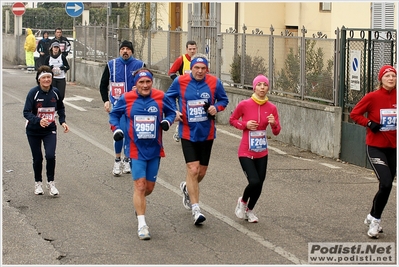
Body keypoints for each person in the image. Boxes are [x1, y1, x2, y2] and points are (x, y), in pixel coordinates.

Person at [109, 68, 176, 240]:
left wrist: (167, 121)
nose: (145, 85)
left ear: (152, 83)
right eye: (141, 82)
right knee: (139, 185)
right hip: (135, 149)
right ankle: (142, 224)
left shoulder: (161, 97)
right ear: (135, 84)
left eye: (148, 82)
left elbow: (171, 112)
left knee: (148, 188)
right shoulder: (127, 98)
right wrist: (116, 129)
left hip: (154, 149)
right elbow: (114, 115)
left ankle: (139, 203)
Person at [165, 54, 229, 225]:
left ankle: (187, 187)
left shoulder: (215, 83)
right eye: (197, 68)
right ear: (191, 68)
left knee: (201, 172)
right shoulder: (180, 82)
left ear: (207, 69)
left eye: (203, 68)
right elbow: (168, 98)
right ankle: (196, 209)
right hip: (187, 132)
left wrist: (217, 107)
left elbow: (224, 100)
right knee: (193, 170)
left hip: (207, 133)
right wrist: (174, 112)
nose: (200, 71)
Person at [350, 65, 397, 238]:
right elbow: (354, 114)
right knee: (385, 182)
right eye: (387, 76)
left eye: (393, 76)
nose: (391, 79)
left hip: (394, 148)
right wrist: (369, 123)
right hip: (375, 146)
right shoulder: (372, 97)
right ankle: (375, 221)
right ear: (381, 79)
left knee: (386, 186)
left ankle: (371, 215)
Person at [230, 74, 281, 223]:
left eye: (265, 85)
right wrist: (244, 125)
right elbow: (232, 120)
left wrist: (273, 124)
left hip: (262, 152)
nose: (262, 88)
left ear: (268, 88)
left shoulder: (272, 108)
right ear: (254, 87)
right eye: (259, 85)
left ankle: (249, 211)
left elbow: (277, 131)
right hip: (246, 151)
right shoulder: (245, 104)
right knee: (254, 181)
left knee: (260, 184)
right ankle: (243, 201)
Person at [99, 40, 146, 176]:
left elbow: (147, 84)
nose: (125, 51)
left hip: (133, 106)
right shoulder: (111, 65)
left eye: (128, 49)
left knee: (130, 133)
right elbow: (103, 85)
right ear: (119, 51)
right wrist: (106, 101)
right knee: (119, 134)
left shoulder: (140, 65)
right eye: (123, 49)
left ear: (132, 51)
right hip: (117, 106)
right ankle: (117, 160)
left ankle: (127, 159)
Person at [23, 65, 70, 196]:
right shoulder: (33, 93)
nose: (46, 80)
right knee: (37, 158)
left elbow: (60, 108)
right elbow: (26, 112)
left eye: (49, 77)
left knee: (50, 155)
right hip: (33, 130)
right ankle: (38, 183)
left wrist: (63, 121)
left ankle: (51, 183)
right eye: (44, 77)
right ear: (39, 80)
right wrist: (38, 120)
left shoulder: (55, 92)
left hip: (50, 129)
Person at [168, 40, 198, 142]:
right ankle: (179, 131)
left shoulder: (199, 60)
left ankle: (192, 133)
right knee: (184, 112)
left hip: (196, 91)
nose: (192, 51)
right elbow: (171, 72)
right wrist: (180, 82)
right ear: (186, 49)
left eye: (194, 49)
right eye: (190, 49)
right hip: (183, 91)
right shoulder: (182, 59)